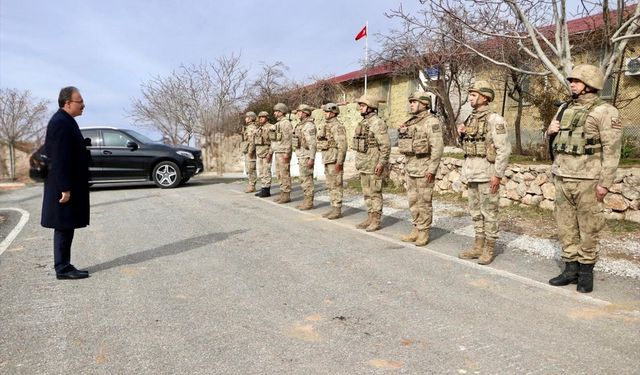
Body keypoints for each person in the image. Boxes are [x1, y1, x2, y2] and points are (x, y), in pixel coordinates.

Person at [546, 64, 622, 293]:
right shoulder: (564, 109)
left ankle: (586, 272)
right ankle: (570, 269)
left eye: (576, 81)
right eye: (571, 81)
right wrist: (549, 131)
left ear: (590, 85)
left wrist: (605, 184)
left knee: (589, 228)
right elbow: (554, 143)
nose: (571, 84)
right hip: (563, 176)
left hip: (588, 180)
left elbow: (612, 150)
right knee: (565, 226)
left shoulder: (605, 111)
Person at [457, 81, 512, 265]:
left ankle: (489, 248)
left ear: (484, 97)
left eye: (473, 95)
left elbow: (503, 150)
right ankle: (478, 245)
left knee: (489, 213)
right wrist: (462, 135)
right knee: (475, 212)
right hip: (472, 173)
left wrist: (497, 174)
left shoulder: (495, 120)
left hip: (487, 174)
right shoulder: (470, 118)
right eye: (470, 94)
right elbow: (466, 147)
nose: (470, 98)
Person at [41, 86, 90, 280]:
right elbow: (59, 158)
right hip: (63, 186)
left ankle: (65, 265)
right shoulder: (61, 122)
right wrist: (65, 188)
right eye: (80, 102)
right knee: (63, 226)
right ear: (67, 103)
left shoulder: (66, 121)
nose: (83, 105)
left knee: (67, 225)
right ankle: (62, 268)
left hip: (68, 183)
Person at [397, 92, 444, 246]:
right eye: (410, 101)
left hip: (424, 170)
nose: (411, 104)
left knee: (424, 202)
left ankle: (424, 231)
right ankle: (416, 228)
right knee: (413, 201)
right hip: (411, 168)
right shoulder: (411, 122)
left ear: (425, 104)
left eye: (415, 102)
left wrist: (432, 169)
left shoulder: (431, 122)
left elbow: (437, 148)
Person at [353, 95, 391, 232]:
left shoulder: (377, 123)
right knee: (366, 193)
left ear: (370, 107)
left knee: (375, 193)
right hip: (364, 164)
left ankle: (376, 220)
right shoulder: (363, 123)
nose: (360, 108)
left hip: (374, 165)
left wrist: (381, 163)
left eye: (363, 106)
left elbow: (385, 146)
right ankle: (369, 216)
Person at [318, 103, 348, 220]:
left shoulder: (337, 126)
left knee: (336, 184)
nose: (325, 114)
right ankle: (333, 207)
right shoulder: (326, 125)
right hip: (328, 158)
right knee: (330, 185)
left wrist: (339, 162)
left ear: (333, 113)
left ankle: (337, 209)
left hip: (335, 159)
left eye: (326, 112)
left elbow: (342, 145)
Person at [292, 104, 317, 210]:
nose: (298, 113)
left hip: (306, 156)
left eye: (299, 111)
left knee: (307, 180)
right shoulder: (300, 125)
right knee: (303, 179)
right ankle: (306, 200)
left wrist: (311, 158)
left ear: (305, 113)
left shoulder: (309, 125)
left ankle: (309, 202)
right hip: (301, 155)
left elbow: (312, 143)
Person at [270, 103, 293, 203]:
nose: (274, 113)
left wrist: (287, 153)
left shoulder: (286, 123)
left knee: (284, 173)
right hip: (278, 151)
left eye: (276, 111)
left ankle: (286, 194)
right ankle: (282, 193)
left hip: (283, 151)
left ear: (281, 112)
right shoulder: (278, 123)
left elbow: (289, 139)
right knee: (279, 173)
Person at [254, 111, 273, 197]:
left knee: (266, 171)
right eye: (260, 117)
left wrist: (270, 153)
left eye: (263, 117)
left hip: (266, 152)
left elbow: (273, 142)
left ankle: (266, 189)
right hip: (259, 152)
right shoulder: (259, 128)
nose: (261, 118)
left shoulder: (271, 127)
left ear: (267, 118)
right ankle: (263, 187)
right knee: (261, 171)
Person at [241, 112, 258, 193]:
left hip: (250, 151)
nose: (245, 119)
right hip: (247, 150)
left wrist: (250, 151)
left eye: (247, 117)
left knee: (251, 168)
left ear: (251, 118)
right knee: (249, 168)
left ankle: (252, 186)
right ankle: (250, 184)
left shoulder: (251, 128)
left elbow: (252, 141)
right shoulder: (248, 127)